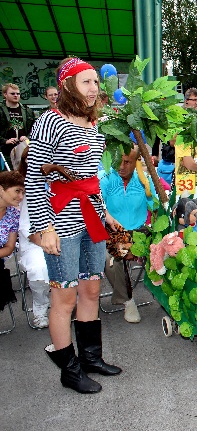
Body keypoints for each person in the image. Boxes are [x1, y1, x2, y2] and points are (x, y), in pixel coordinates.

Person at [26, 57, 122, 394]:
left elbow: (91, 176)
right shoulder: (49, 122)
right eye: (86, 82)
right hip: (60, 219)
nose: (94, 88)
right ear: (67, 85)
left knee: (92, 289)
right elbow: (36, 177)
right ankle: (70, 371)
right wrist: (44, 227)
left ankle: (91, 358)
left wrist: (105, 211)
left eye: (96, 82)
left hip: (91, 215)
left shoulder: (92, 122)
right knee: (63, 297)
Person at [101, 144, 155, 323]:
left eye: (126, 162)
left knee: (166, 246)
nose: (121, 166)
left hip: (140, 231)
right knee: (112, 257)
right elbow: (97, 209)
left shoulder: (144, 180)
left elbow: (156, 207)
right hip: (114, 232)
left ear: (136, 162)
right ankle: (128, 300)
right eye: (119, 161)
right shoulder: (106, 178)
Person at [17, 148, 50, 328]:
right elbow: (25, 226)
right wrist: (46, 243)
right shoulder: (23, 189)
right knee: (39, 267)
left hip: (61, 238)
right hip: (34, 242)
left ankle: (69, 304)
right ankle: (40, 308)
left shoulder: (57, 183)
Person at [0, 171, 24, 313]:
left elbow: (9, 247)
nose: (20, 197)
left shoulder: (14, 214)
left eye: (23, 192)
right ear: (1, 189)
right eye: (17, 191)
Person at [175, 88, 197, 193]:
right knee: (187, 207)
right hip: (185, 178)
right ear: (186, 100)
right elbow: (188, 163)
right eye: (194, 100)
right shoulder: (180, 120)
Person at [1, 83, 35, 163]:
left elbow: (34, 129)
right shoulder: (1, 110)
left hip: (23, 149)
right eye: (12, 93)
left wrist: (27, 137)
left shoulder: (27, 111)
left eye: (18, 93)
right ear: (5, 94)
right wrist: (5, 141)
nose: (16, 95)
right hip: (4, 150)